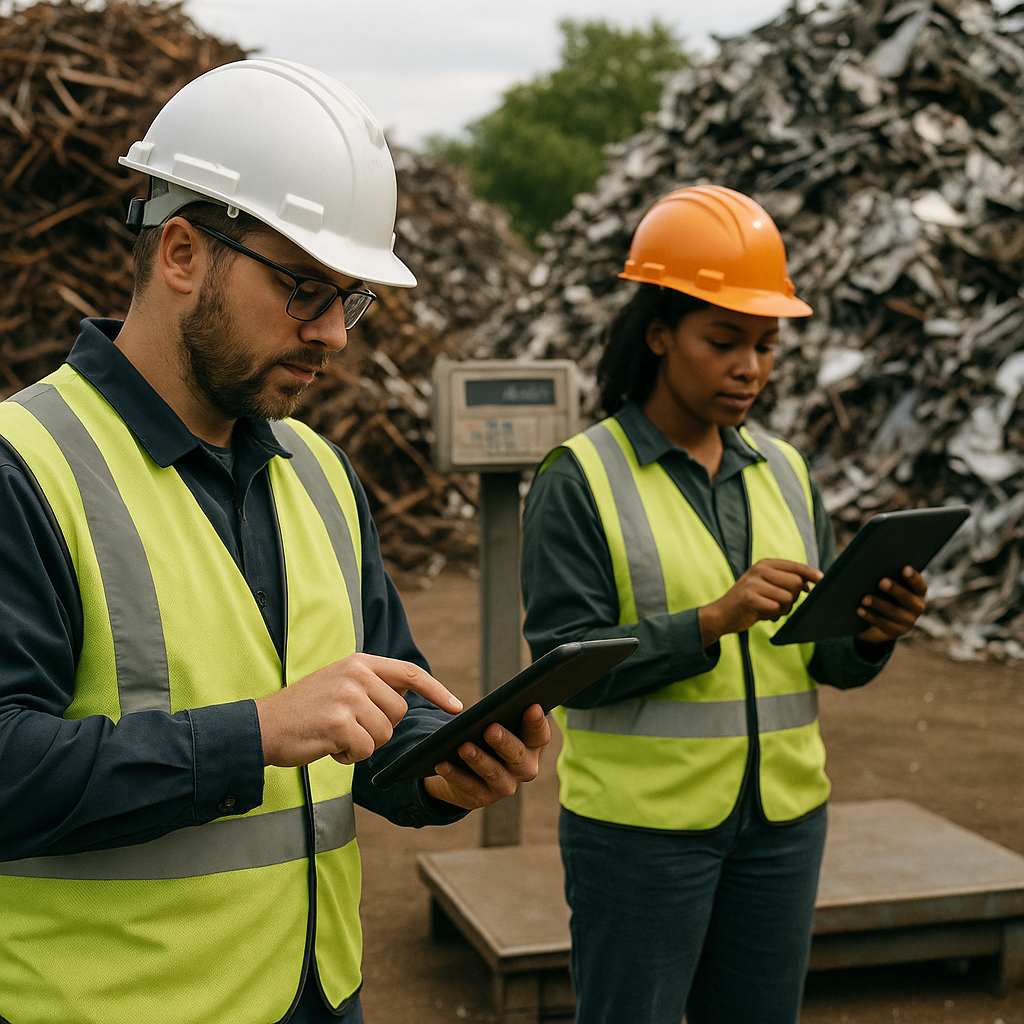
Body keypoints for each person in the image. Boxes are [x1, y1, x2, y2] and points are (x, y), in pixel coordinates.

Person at [0, 59, 549, 1024]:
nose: (335, 334)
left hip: (314, 996)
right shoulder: (25, 469)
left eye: (351, 299)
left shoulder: (322, 477)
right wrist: (254, 735)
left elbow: (375, 712)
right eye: (304, 288)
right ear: (180, 253)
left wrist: (439, 767)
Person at [520, 184, 927, 1024]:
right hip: (640, 836)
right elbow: (562, 669)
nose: (750, 367)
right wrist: (708, 622)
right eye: (725, 341)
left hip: (782, 824)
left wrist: (871, 634)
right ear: (660, 334)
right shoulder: (581, 477)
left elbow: (823, 660)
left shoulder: (784, 471)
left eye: (767, 347)